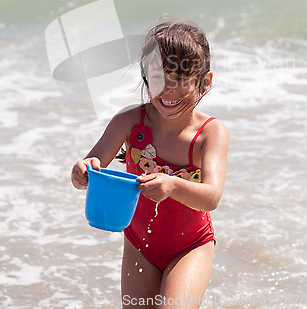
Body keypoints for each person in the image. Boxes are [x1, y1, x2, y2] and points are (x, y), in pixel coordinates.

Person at [71, 19, 229, 308]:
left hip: (190, 245)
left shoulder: (210, 133)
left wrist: (172, 185)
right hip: (139, 244)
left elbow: (211, 198)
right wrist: (82, 170)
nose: (169, 90)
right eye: (159, 78)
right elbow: (92, 165)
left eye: (181, 79)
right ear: (145, 77)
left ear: (204, 81)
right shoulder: (128, 121)